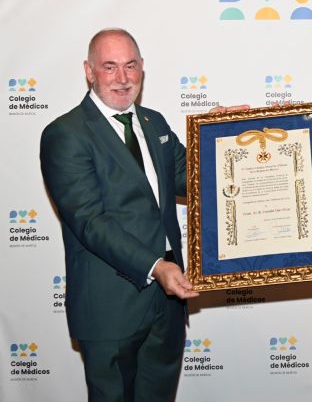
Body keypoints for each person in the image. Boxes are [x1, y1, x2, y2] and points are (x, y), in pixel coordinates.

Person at [40, 28, 208, 401]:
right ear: (89, 71)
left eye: (130, 66)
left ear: (143, 68)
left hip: (167, 305)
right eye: (110, 67)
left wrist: (221, 136)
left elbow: (194, 177)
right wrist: (156, 266)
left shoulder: (155, 123)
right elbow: (89, 221)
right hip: (109, 307)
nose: (122, 78)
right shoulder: (65, 134)